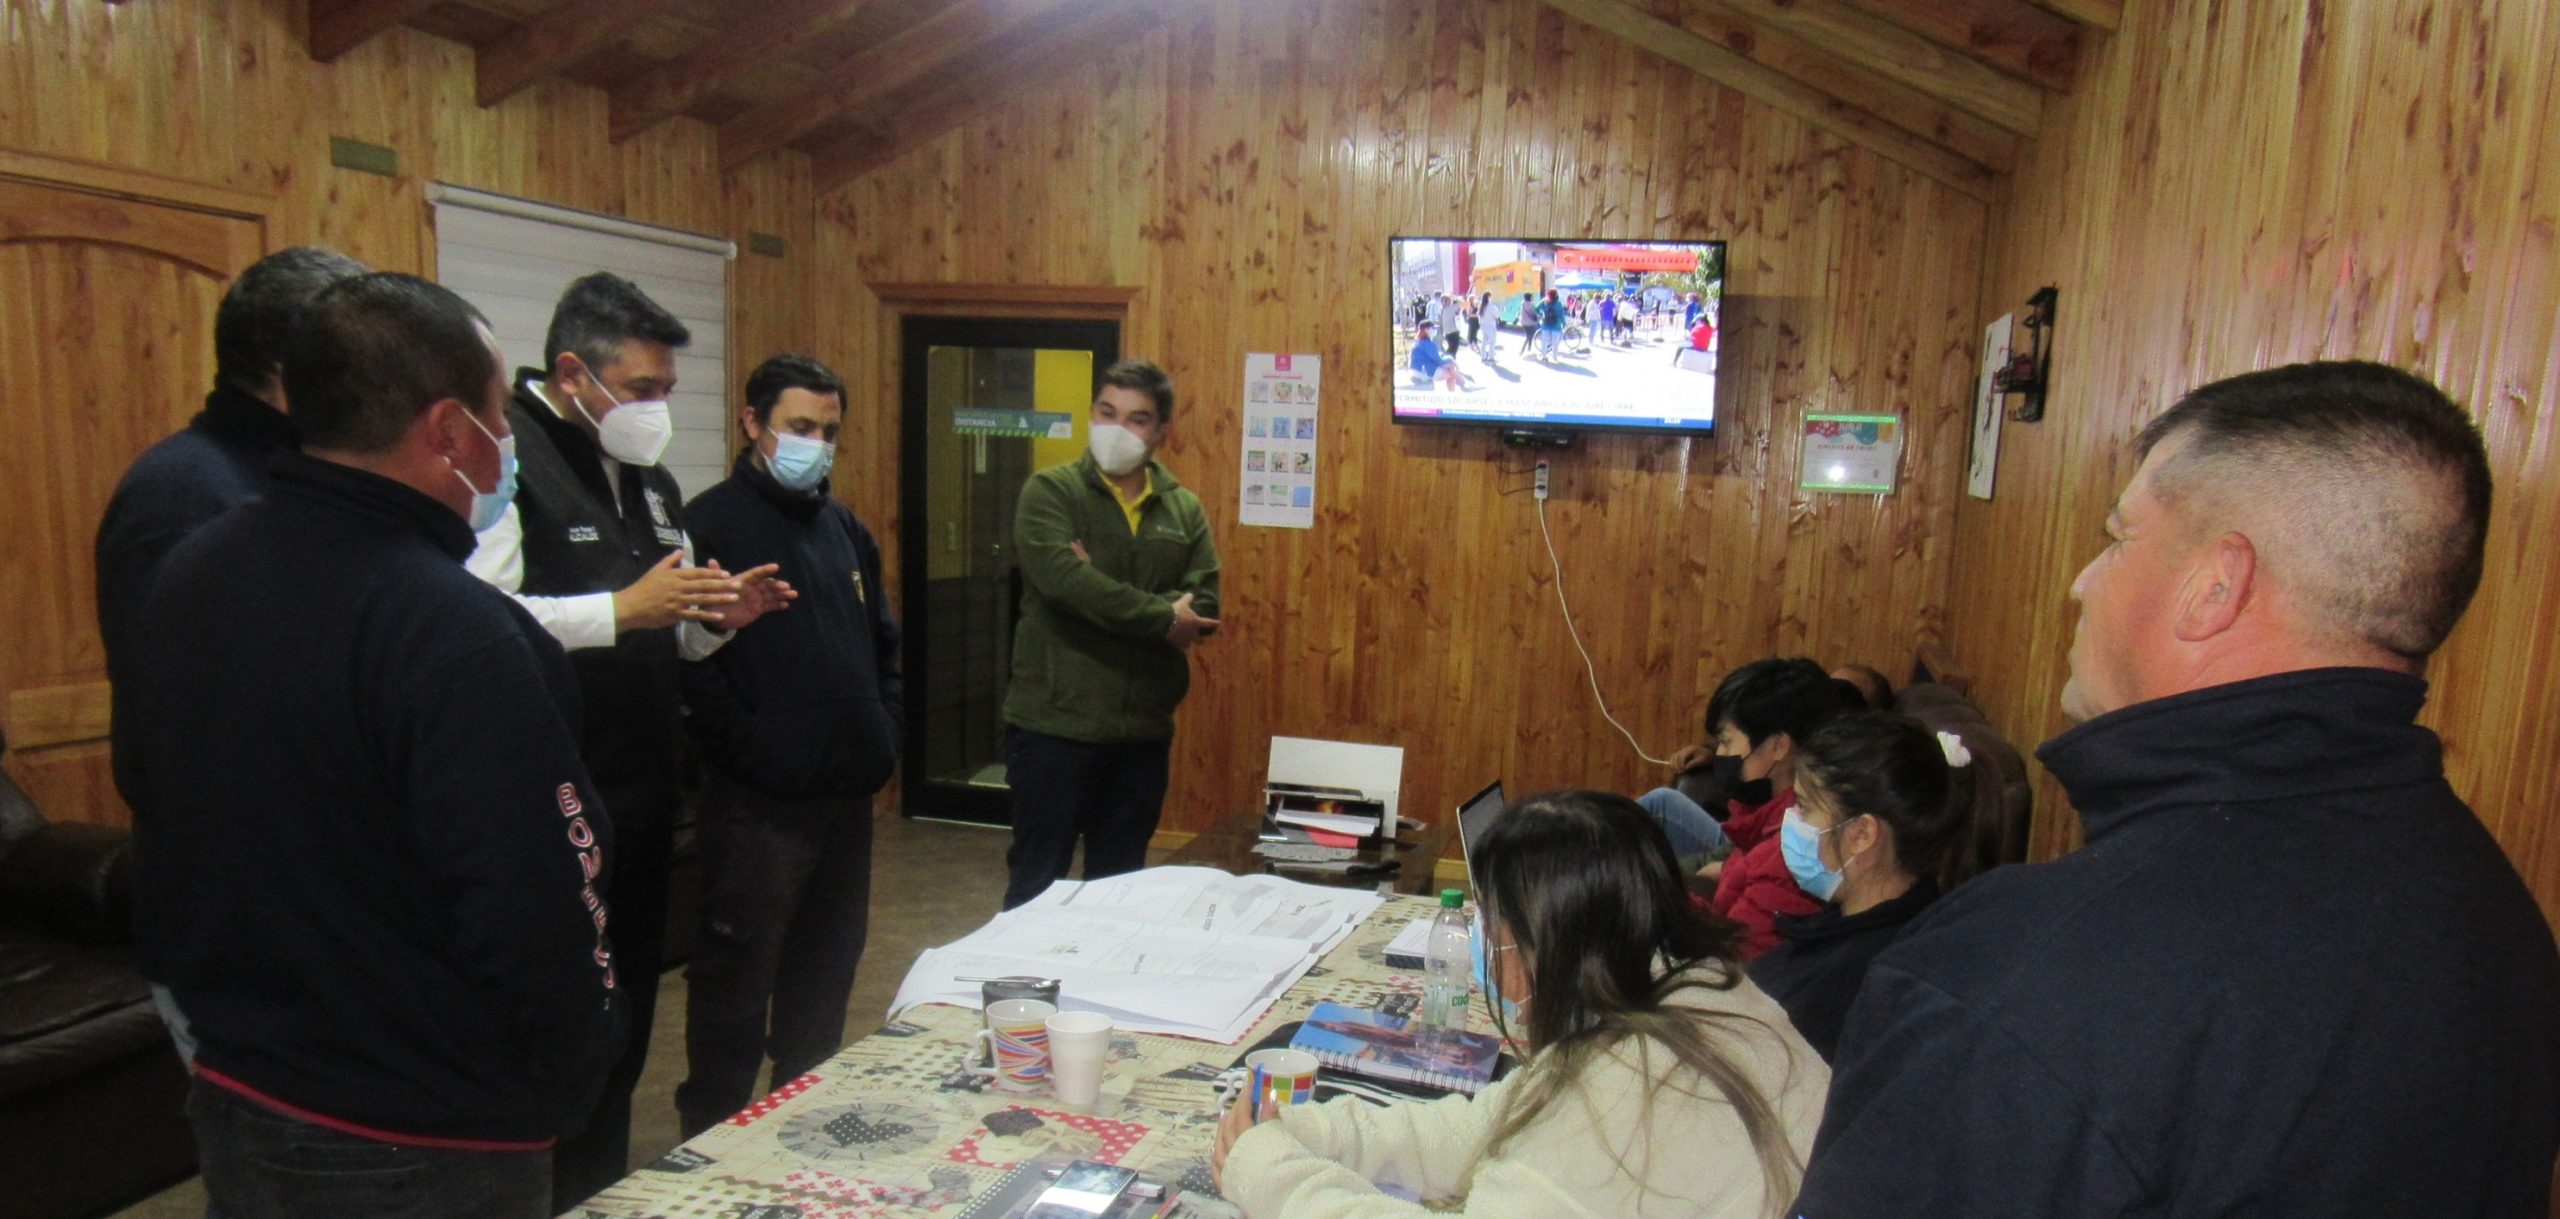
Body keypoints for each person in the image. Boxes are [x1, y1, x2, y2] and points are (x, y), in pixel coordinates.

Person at [1794, 361, 2560, 1215]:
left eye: (2119, 538)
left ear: (2216, 586)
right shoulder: (2505, 925)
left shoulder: (2022, 979)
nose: (2081, 580)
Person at [132, 273, 621, 1218]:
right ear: (448, 431)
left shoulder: (194, 568)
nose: (509, 442)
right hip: (426, 1132)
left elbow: (149, 786)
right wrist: (573, 1067)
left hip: (242, 1087)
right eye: (499, 417)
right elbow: (538, 899)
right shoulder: (458, 631)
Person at [463, 271, 791, 1205]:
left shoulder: (648, 475)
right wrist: (620, 608)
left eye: (664, 390)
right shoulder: (506, 456)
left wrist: (724, 615)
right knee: (564, 1024)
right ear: (574, 371)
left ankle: (600, 1188)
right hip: (551, 793)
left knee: (626, 1020)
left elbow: (669, 625)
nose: (656, 409)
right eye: (642, 389)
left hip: (645, 793)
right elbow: (478, 617)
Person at [1212, 791, 1828, 1217]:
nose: (1489, 948)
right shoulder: (1700, 989)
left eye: (1495, 930)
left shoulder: (1618, 1094)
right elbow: (1486, 1124)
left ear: (1544, 946)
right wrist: (1313, 1130)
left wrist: (1274, 1179)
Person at [93, 244, 367, 1070]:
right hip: (245, 928)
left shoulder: (293, 478)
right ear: (293, 370)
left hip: (318, 914)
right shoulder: (190, 497)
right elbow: (197, 747)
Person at [673, 354, 900, 1137]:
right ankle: (709, 1147)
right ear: (753, 423)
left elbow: (883, 651)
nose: (818, 444)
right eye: (801, 427)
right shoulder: (709, 525)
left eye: (830, 431)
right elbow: (693, 671)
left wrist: (882, 736)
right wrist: (756, 754)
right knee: (735, 993)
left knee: (822, 992)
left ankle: (795, 1142)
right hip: (759, 810)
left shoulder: (847, 532)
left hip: (845, 805)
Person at [1000, 359, 1222, 909]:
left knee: (1119, 894)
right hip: (1055, 729)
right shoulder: (1049, 493)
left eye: (1137, 419)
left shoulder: (1183, 509)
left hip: (1142, 735)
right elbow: (1065, 586)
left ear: (1161, 431)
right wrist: (1164, 616)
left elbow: (1207, 605)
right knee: (1036, 886)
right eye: (1107, 413)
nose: (1118, 429)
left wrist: (1099, 587)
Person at [1748, 713, 1995, 1060]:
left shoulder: (1850, 984)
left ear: (1861, 834)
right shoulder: (1874, 922)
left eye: (1803, 806)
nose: (1789, 820)